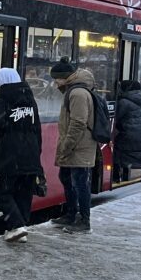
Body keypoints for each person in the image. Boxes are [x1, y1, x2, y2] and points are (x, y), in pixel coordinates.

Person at [0, 68, 43, 243]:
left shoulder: (4, 96)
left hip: (11, 153)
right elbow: (37, 128)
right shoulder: (29, 97)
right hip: (31, 152)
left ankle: (16, 225)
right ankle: (21, 227)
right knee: (24, 191)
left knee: (3, 191)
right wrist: (37, 152)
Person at [47, 58, 96, 234]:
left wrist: (67, 145)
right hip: (76, 146)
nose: (54, 83)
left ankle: (84, 221)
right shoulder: (72, 91)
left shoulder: (77, 94)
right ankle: (70, 214)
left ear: (64, 78)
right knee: (67, 179)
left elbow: (78, 123)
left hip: (79, 147)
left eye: (56, 79)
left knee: (80, 184)